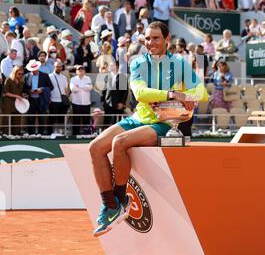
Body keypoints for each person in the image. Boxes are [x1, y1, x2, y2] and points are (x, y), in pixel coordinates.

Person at [89, 21, 208, 237]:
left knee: (120, 142)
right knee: (95, 147)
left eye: (155, 38)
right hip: (138, 118)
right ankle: (110, 205)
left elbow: (201, 90)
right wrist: (173, 94)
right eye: (147, 38)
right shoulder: (137, 63)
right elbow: (140, 93)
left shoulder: (180, 63)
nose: (150, 42)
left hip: (164, 123)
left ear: (166, 40)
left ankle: (121, 199)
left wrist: (191, 96)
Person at [23, 59, 53, 135]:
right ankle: (31, 134)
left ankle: (41, 134)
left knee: (42, 118)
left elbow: (51, 87)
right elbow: (24, 88)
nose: (34, 71)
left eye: (35, 69)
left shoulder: (45, 75)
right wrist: (30, 91)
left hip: (41, 100)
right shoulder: (26, 76)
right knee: (30, 118)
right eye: (33, 70)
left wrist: (42, 90)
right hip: (31, 100)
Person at [1, 65, 25, 134]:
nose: (20, 75)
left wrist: (22, 95)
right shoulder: (8, 80)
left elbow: (20, 92)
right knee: (7, 121)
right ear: (15, 72)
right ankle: (6, 136)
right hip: (7, 103)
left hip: (17, 104)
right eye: (19, 74)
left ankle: (16, 135)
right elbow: (5, 93)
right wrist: (17, 96)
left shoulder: (21, 81)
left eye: (22, 74)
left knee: (17, 121)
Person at [70, 65, 93, 135]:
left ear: (84, 71)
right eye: (79, 70)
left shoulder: (88, 78)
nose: (81, 71)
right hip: (76, 103)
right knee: (76, 120)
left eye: (82, 70)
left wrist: (79, 86)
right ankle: (75, 135)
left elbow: (90, 87)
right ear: (76, 71)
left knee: (86, 120)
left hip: (86, 103)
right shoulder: (73, 79)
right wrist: (83, 87)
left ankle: (86, 135)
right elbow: (73, 89)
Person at [49, 61, 70, 134]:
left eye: (60, 66)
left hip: (62, 101)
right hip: (53, 101)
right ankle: (50, 133)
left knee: (61, 118)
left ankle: (60, 133)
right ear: (54, 67)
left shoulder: (64, 77)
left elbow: (66, 88)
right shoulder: (50, 76)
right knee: (52, 118)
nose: (58, 68)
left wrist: (66, 97)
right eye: (57, 66)